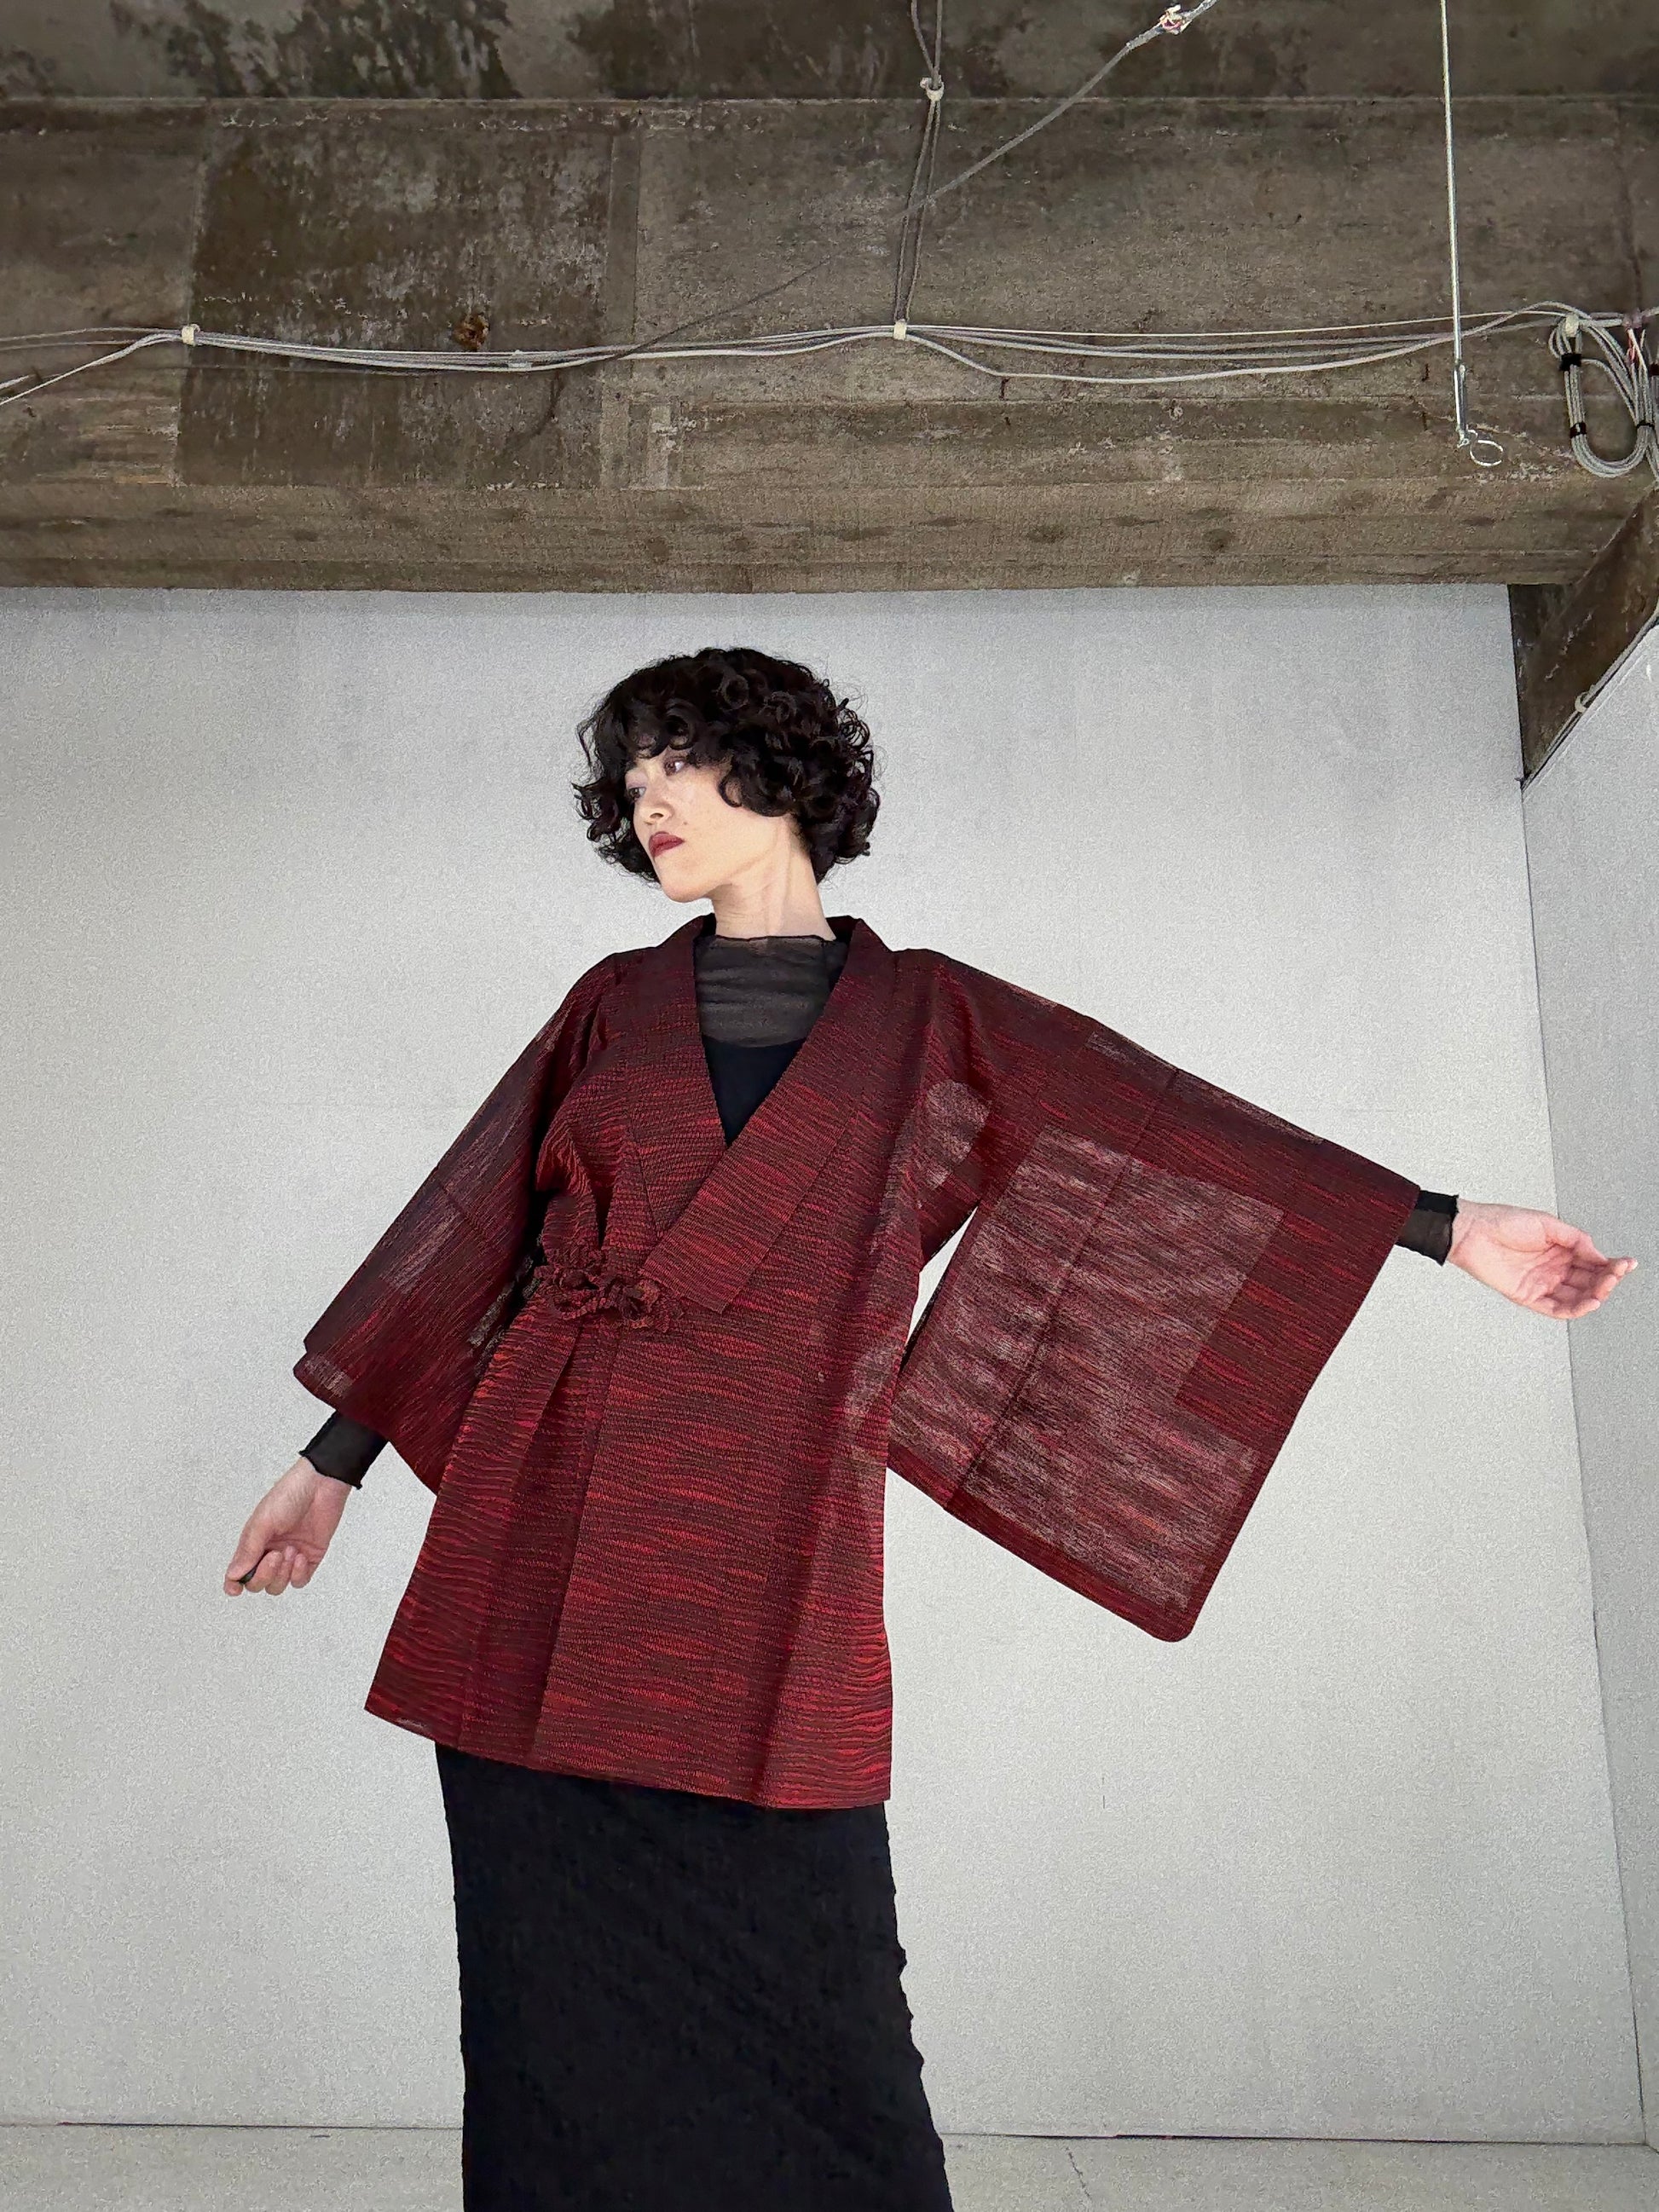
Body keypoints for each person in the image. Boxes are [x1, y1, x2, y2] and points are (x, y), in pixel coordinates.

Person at [223, 645, 1636, 2211]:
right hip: (543, 1510)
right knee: (545, 1969)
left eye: (678, 760)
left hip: (768, 1520)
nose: (649, 801)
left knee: (815, 1976)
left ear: (779, 772)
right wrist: (330, 1464)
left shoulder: (932, 1016)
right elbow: (477, 1221)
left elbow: (1164, 1123)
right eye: (630, 780)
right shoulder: (611, 1006)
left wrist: (1444, 1227)